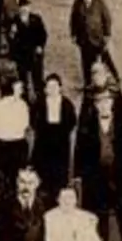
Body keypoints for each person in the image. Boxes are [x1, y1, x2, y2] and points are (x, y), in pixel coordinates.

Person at [75, 61, 122, 241]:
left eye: (107, 102)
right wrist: (79, 171)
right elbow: (80, 141)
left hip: (118, 169)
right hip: (96, 170)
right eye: (99, 103)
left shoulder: (119, 112)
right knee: (98, 203)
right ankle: (100, 238)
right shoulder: (89, 115)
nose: (104, 106)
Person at [31, 74, 77, 203]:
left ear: (60, 88)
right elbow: (33, 121)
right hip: (43, 144)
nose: (52, 89)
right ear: (45, 89)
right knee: (43, 176)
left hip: (60, 144)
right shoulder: (39, 103)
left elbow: (72, 121)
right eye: (49, 86)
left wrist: (61, 132)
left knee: (59, 176)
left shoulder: (66, 104)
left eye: (55, 86)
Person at [0, 73, 32, 200]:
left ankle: (14, 191)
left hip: (16, 143)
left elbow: (25, 123)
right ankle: (3, 191)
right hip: (3, 143)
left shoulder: (23, 105)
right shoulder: (2, 104)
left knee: (16, 171)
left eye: (21, 88)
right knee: (2, 170)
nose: (20, 91)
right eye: (18, 88)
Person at [69, 0, 118, 87]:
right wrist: (73, 34)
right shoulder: (78, 3)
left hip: (98, 38)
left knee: (105, 59)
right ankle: (88, 83)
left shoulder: (99, 2)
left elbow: (107, 19)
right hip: (84, 39)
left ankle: (115, 79)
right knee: (86, 62)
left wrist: (107, 35)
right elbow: (73, 19)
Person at [10, 0, 49, 103]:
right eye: (22, 7)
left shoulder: (36, 19)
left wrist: (40, 46)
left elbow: (43, 35)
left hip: (35, 54)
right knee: (23, 79)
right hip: (22, 55)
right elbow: (12, 40)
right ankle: (25, 101)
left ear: (29, 7)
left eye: (26, 7)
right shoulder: (15, 21)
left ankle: (40, 100)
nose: (24, 9)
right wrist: (14, 54)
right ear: (19, 8)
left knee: (38, 78)